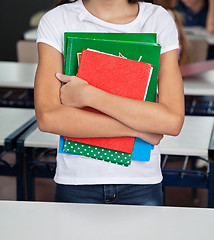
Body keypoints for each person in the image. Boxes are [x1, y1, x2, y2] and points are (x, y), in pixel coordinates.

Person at [35, 0, 184, 205]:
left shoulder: (157, 19)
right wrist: (139, 130)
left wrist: (88, 95)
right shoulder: (57, 19)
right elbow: (48, 117)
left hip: (141, 182)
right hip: (77, 181)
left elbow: (172, 120)